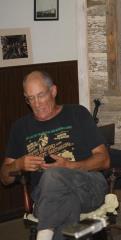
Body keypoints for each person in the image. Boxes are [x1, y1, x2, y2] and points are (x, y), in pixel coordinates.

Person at [0, 71, 110, 240]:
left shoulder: (77, 114)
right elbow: (5, 178)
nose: (36, 104)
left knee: (53, 174)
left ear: (53, 91)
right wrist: (18, 164)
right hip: (46, 197)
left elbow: (104, 160)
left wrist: (68, 166)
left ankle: (43, 235)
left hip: (88, 187)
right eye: (30, 98)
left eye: (41, 95)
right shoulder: (20, 127)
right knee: (65, 203)